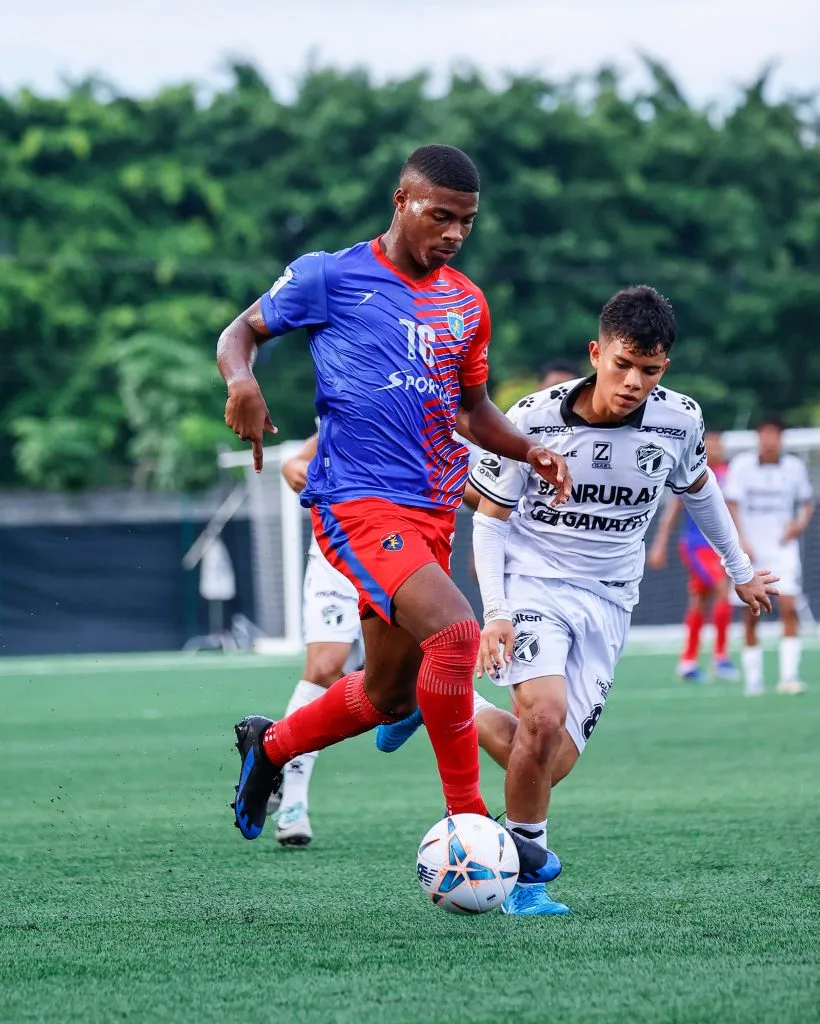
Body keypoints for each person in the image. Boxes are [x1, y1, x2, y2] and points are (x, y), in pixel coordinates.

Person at [216, 143, 571, 883]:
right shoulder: (328, 275)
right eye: (440, 216)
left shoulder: (466, 303)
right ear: (401, 200)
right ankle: (473, 830)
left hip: (434, 513)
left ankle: (271, 746)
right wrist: (242, 381)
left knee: (387, 692)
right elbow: (239, 332)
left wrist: (528, 448)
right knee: (457, 633)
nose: (453, 233)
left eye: (465, 222)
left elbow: (472, 409)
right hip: (357, 502)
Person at [376, 285, 779, 915]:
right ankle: (525, 875)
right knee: (542, 718)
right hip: (534, 585)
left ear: (663, 368)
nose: (633, 382)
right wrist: (499, 612)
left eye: (649, 370)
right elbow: (489, 519)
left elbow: (700, 491)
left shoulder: (680, 421)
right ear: (597, 353)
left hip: (611, 600)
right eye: (623, 364)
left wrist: (740, 570)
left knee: (548, 757)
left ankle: (435, 702)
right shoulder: (530, 420)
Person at [269, 434, 363, 846]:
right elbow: (293, 466)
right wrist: (328, 482)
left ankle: (268, 752)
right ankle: (291, 799)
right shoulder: (349, 406)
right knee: (326, 667)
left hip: (405, 548)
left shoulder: (441, 407)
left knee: (403, 682)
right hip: (337, 551)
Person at [724, 415, 814, 695]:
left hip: (783, 550)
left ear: (781, 438)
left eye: (774, 434)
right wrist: (742, 540)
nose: (769, 439)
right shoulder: (742, 466)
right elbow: (732, 505)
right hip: (749, 552)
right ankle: (754, 679)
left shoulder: (794, 467)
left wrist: (799, 523)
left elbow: (807, 501)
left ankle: (789, 676)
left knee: (789, 606)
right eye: (764, 434)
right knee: (752, 613)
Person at [647, 431, 738, 682]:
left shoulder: (731, 475)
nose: (714, 447)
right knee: (722, 588)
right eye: (709, 443)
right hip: (696, 546)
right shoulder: (692, 473)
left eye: (718, 443)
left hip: (719, 547)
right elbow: (673, 510)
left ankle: (688, 662)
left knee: (699, 600)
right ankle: (721, 659)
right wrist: (659, 544)